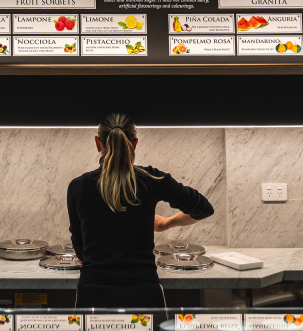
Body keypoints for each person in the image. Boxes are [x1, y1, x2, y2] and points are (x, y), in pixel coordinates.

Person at [67, 113, 214, 309]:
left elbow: (80, 249)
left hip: (93, 295)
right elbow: (203, 209)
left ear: (98, 143)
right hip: (144, 294)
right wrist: (166, 223)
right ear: (134, 144)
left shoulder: (78, 186)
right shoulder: (151, 179)